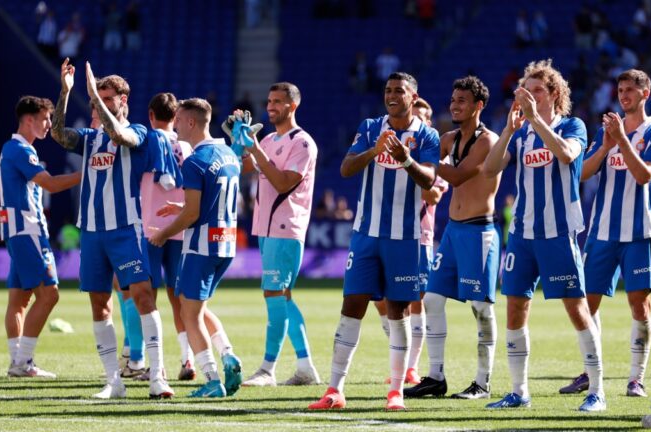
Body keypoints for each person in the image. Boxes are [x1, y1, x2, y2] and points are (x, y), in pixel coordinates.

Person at [308, 72, 439, 410]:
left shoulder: (427, 134)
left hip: (405, 238)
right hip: (366, 234)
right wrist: (373, 151)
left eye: (399, 91)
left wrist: (404, 159)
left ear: (413, 95)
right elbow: (346, 168)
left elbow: (430, 180)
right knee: (352, 306)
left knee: (397, 311)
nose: (392, 95)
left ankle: (395, 391)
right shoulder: (369, 127)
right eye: (388, 90)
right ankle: (334, 390)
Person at [483, 59, 605, 412]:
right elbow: (490, 168)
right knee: (516, 307)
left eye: (537, 90)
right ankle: (519, 392)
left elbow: (567, 155)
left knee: (576, 309)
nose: (530, 96)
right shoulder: (520, 133)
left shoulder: (573, 125)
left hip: (558, 232)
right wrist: (508, 129)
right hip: (521, 233)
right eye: (527, 91)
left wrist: (535, 119)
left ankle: (597, 391)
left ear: (554, 93)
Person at [50, 58, 173, 399]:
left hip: (125, 229)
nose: (102, 104)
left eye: (108, 98)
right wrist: (66, 91)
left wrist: (94, 95)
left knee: (144, 295)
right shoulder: (89, 139)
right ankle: (112, 382)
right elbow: (58, 134)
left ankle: (157, 377)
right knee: (99, 304)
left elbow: (118, 134)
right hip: (91, 231)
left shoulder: (138, 132)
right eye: (97, 100)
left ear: (123, 100)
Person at [403, 76, 500, 400]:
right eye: (453, 99)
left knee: (481, 308)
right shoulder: (448, 137)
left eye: (462, 100)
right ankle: (436, 377)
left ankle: (483, 383)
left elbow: (456, 175)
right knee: (431, 300)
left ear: (478, 106)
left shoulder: (489, 141)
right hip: (454, 231)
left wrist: (419, 161)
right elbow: (428, 158)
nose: (454, 104)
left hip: (479, 232)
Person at [566, 70, 651, 399]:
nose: (623, 95)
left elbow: (645, 175)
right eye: (620, 90)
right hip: (601, 232)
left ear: (645, 94)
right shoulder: (609, 129)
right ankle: (591, 373)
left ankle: (636, 378)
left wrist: (621, 141)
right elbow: (583, 173)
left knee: (639, 305)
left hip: (638, 232)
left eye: (630, 90)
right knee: (586, 305)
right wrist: (606, 146)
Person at [148, 98, 243, 398]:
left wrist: (163, 235)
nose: (174, 126)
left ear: (190, 122)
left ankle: (213, 378)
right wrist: (182, 205)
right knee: (197, 307)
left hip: (200, 246)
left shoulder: (194, 161)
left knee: (189, 314)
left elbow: (192, 214)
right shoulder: (228, 153)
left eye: (177, 120)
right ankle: (227, 355)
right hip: (225, 243)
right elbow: (207, 200)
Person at [238, 82, 321, 387]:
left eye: (278, 102)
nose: (271, 106)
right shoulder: (271, 138)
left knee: (274, 294)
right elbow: (245, 166)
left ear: (293, 106)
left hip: (286, 228)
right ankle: (305, 367)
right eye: (269, 101)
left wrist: (255, 147)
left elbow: (284, 182)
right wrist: (239, 144)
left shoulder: (302, 143)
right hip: (266, 228)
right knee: (281, 296)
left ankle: (266, 370)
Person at [0, 95, 81, 378]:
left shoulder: (16, 149)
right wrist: (89, 174)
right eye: (46, 119)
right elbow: (51, 183)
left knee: (19, 301)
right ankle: (23, 362)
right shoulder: (20, 150)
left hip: (19, 231)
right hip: (27, 231)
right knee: (50, 295)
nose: (49, 125)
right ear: (29, 120)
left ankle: (17, 362)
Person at [372, 96, 447, 387]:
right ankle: (401, 352)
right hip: (385, 233)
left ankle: (411, 368)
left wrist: (407, 162)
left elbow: (433, 194)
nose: (418, 121)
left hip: (418, 237)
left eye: (423, 117)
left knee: (415, 302)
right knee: (378, 298)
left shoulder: (435, 158)